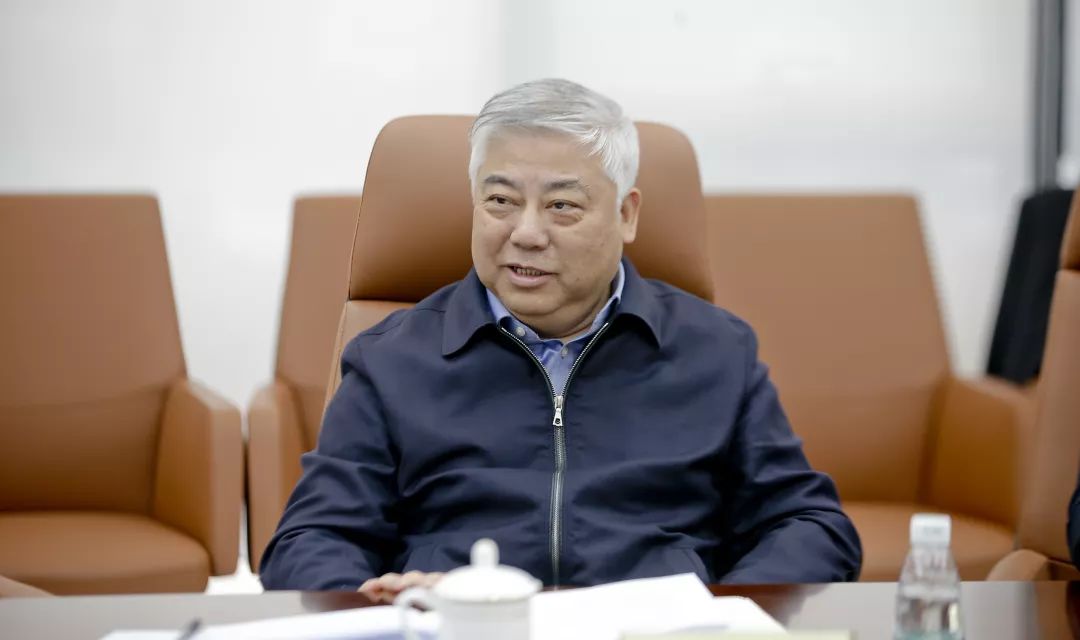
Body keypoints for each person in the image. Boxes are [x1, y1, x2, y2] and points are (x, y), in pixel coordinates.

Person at [260, 78, 862, 600]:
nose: (525, 232)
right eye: (500, 201)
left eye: (562, 206)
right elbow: (310, 540)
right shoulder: (391, 359)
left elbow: (810, 526)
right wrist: (383, 606)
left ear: (626, 215)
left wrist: (718, 613)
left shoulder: (716, 352)